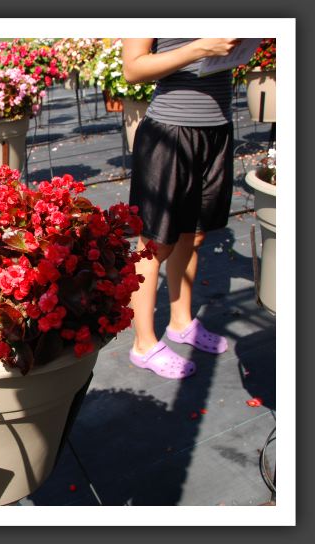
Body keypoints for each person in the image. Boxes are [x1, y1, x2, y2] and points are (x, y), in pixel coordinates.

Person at [122, 38, 240, 379]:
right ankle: (143, 344)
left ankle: (181, 322)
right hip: (171, 133)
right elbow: (133, 68)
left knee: (195, 233)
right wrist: (201, 49)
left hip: (218, 129)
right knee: (155, 244)